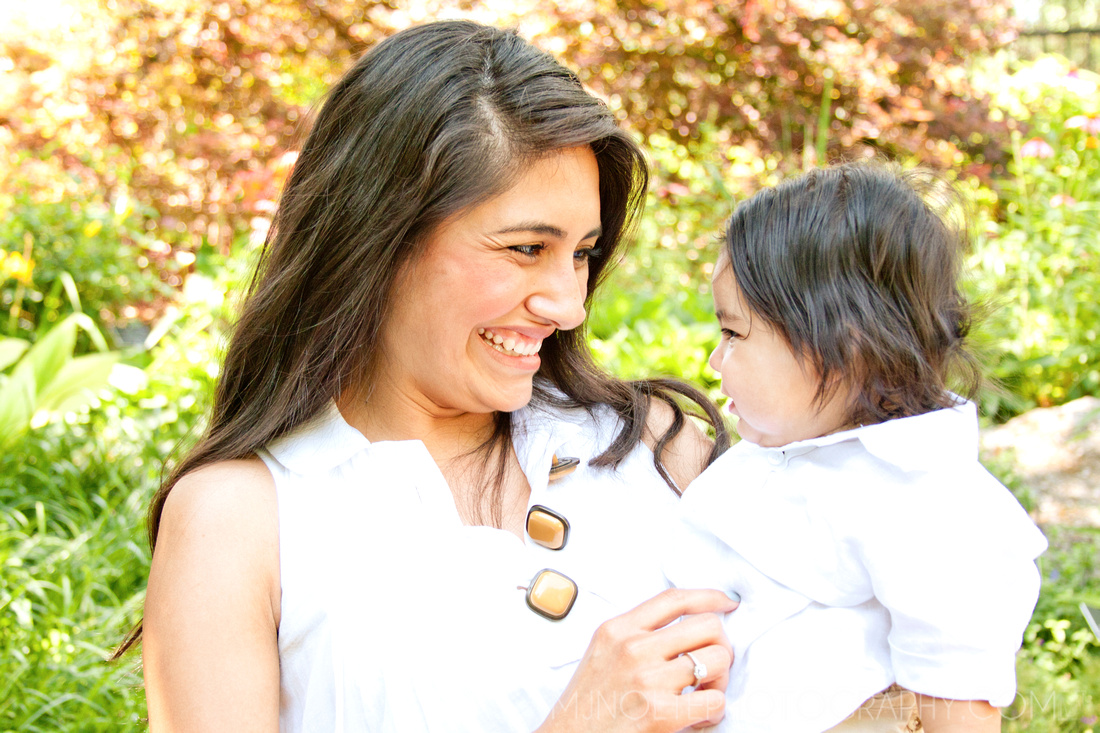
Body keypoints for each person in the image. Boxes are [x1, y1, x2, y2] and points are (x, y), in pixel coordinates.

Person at [129, 20, 742, 733]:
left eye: (581, 252)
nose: (568, 303)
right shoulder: (240, 520)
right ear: (378, 237)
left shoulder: (650, 449)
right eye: (525, 247)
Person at [665, 162, 1048, 733]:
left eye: (734, 333)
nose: (716, 361)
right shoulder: (774, 457)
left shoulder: (929, 506)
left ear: (843, 346)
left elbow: (957, 703)